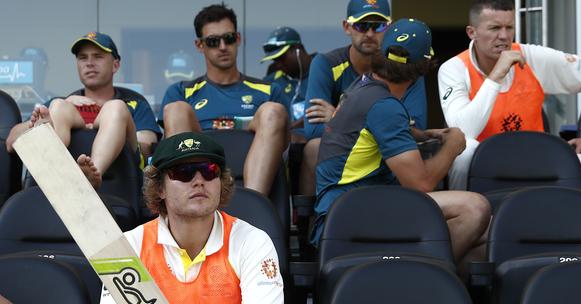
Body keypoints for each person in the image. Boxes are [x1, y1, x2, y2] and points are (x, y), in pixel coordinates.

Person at [93, 132, 297, 304]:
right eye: (183, 172)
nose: (199, 180)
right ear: (160, 188)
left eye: (210, 171)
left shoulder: (251, 240)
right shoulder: (128, 245)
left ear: (220, 182)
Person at [311, 18, 491, 266]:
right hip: (350, 217)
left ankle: (431, 287)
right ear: (422, 68)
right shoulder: (384, 105)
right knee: (475, 208)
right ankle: (420, 276)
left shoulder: (363, 86)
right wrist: (453, 144)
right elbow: (421, 184)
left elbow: (377, 130)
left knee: (484, 240)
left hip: (351, 210)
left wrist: (427, 135)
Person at [438, 0, 581, 197]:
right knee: (464, 149)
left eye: (509, 27)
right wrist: (497, 74)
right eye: (495, 28)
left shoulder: (530, 56)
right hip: (484, 158)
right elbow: (465, 131)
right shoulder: (453, 68)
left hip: (535, 154)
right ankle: (463, 216)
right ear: (472, 33)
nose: (504, 36)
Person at [301, 0, 429, 196]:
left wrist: (338, 116)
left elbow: (417, 126)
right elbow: (313, 130)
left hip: (392, 157)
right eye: (361, 25)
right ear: (347, 27)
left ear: (390, 27)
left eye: (378, 25)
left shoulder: (407, 67)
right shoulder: (326, 63)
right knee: (313, 147)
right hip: (352, 161)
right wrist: (377, 125)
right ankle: (311, 221)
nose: (369, 33)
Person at [160, 4, 290, 196]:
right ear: (199, 45)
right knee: (176, 110)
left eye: (228, 39)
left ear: (238, 39)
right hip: (199, 180)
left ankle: (252, 210)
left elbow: (287, 144)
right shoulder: (181, 92)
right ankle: (187, 201)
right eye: (213, 41)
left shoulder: (269, 91)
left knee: (273, 111)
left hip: (253, 185)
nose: (222, 47)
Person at [6, 32, 160, 188]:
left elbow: (146, 151)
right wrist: (41, 123)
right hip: (61, 181)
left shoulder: (135, 103)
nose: (89, 63)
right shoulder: (64, 103)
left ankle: (92, 175)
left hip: (126, 178)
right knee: (58, 107)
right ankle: (50, 154)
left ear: (115, 65)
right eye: (83, 57)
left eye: (98, 56)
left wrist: (107, 122)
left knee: (115, 107)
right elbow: (11, 142)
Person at [261, 26, 313, 144]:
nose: (278, 65)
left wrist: (291, 127)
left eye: (282, 58)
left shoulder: (322, 69)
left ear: (298, 49)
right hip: (282, 144)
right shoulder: (272, 81)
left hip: (315, 140)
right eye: (275, 60)